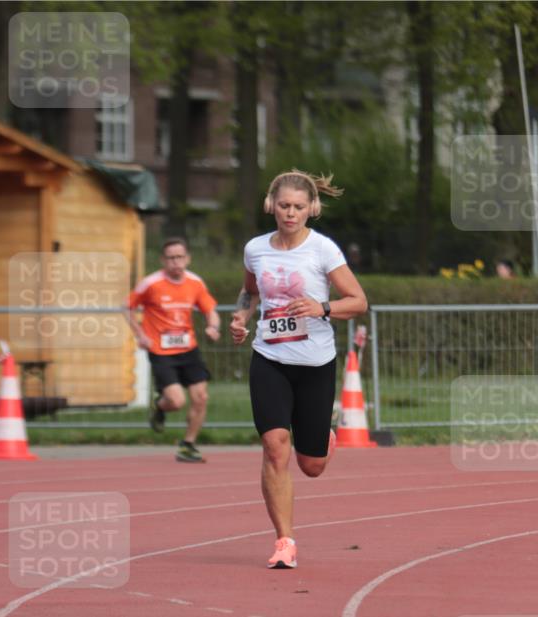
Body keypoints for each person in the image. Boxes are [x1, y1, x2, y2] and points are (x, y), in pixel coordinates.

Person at [230, 169, 368, 569]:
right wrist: (241, 317)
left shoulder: (322, 250)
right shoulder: (256, 248)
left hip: (314, 361)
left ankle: (323, 437)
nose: (290, 213)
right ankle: (284, 541)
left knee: (312, 466)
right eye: (284, 206)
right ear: (270, 205)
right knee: (275, 447)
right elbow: (249, 291)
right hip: (269, 358)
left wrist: (322, 307)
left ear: (312, 209)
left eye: (298, 207)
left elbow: (358, 301)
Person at [126, 237, 221, 463]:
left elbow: (211, 310)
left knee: (201, 397)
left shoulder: (195, 283)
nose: (175, 263)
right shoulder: (150, 283)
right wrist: (140, 335)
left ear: (187, 259)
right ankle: (160, 406)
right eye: (170, 258)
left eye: (179, 257)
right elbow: (126, 307)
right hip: (160, 351)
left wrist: (213, 327)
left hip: (188, 349)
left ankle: (188, 445)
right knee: (176, 402)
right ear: (163, 260)